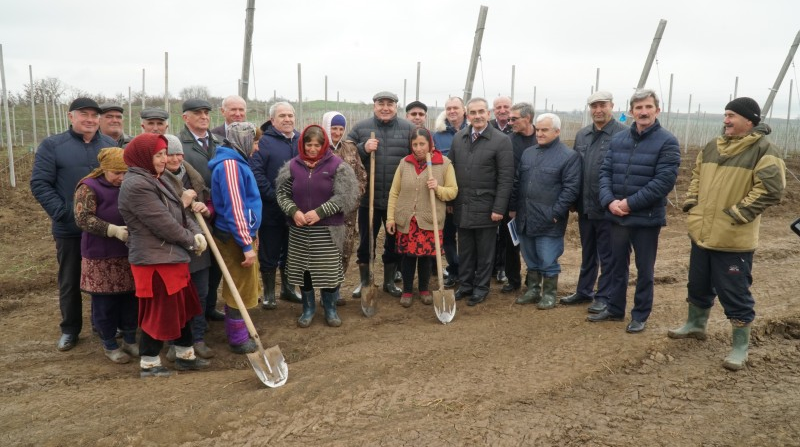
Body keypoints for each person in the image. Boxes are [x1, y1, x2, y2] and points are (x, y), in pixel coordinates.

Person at [669, 97, 785, 371]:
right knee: (697, 283)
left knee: (734, 292)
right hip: (702, 233)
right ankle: (696, 324)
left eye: (731, 115)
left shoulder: (764, 150)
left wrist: (738, 213)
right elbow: (696, 175)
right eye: (725, 115)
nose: (726, 120)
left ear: (749, 120)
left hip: (733, 239)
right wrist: (692, 202)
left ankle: (740, 346)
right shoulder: (713, 146)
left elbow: (771, 189)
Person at [589, 89, 680, 333]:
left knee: (644, 270)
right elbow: (605, 173)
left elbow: (663, 182)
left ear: (657, 110)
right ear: (631, 112)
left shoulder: (667, 141)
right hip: (617, 216)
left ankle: (640, 314)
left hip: (646, 219)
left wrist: (628, 204)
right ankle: (615, 308)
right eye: (638, 108)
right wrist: (610, 202)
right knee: (616, 265)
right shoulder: (619, 140)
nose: (643, 112)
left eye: (648, 107)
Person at [119, 133, 210, 377]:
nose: (163, 159)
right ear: (143, 157)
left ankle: (185, 355)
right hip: (155, 261)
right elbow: (164, 224)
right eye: (158, 155)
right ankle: (149, 363)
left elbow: (180, 213)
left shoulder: (156, 178)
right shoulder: (137, 185)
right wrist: (193, 241)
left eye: (164, 154)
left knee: (183, 307)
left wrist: (196, 233)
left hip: (171, 258)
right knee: (159, 312)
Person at [31, 97, 116, 351]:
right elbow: (40, 183)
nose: (90, 119)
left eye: (94, 115)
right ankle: (70, 328)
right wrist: (64, 212)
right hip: (70, 228)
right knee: (70, 279)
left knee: (104, 277)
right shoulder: (53, 146)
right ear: (71, 117)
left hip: (104, 229)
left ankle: (103, 326)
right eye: (84, 114)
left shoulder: (109, 145)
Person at [276, 125, 359, 327]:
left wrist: (319, 212)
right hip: (300, 230)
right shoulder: (292, 166)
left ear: (324, 145)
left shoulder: (338, 166)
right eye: (309, 144)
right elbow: (282, 194)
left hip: (328, 230)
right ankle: (308, 308)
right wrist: (294, 211)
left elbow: (345, 197)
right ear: (302, 144)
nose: (312, 149)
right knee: (305, 271)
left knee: (329, 271)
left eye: (317, 145)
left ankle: (330, 309)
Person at [560, 91, 626, 313]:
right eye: (594, 106)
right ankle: (584, 290)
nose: (598, 110)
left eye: (602, 105)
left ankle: (605, 295)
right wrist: (573, 199)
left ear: (612, 106)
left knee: (607, 254)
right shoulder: (583, 135)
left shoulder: (622, 135)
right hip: (585, 205)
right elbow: (575, 168)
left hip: (608, 206)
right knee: (588, 251)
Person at [509, 113, 581, 309]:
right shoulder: (528, 153)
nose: (539, 134)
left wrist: (556, 213)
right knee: (530, 256)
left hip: (549, 219)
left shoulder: (568, 156)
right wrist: (514, 208)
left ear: (557, 132)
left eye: (544, 130)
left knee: (548, 257)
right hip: (525, 215)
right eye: (538, 130)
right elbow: (517, 182)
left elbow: (571, 188)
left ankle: (549, 293)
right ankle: (533, 289)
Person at [73, 147, 138, 364]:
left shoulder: (129, 184)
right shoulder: (89, 187)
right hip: (101, 255)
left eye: (125, 172)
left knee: (130, 298)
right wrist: (112, 230)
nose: (121, 177)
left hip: (127, 251)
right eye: (116, 173)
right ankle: (109, 343)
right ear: (104, 169)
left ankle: (130, 339)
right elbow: (83, 218)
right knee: (105, 302)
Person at [348, 91, 415, 299]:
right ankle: (365, 282)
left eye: (390, 104)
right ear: (374, 106)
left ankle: (388, 282)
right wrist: (363, 148)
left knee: (393, 242)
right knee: (366, 242)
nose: (385, 108)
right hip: (368, 199)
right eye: (380, 104)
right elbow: (346, 155)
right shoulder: (360, 128)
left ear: (396, 107)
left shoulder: (409, 129)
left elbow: (418, 155)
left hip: (397, 199)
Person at [448, 97, 514, 306]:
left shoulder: (501, 141)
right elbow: (450, 170)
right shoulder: (459, 138)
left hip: (487, 207)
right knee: (465, 250)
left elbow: (505, 178)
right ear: (467, 115)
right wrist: (450, 199)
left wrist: (499, 208)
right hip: (462, 204)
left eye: (481, 112)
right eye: (473, 113)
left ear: (488, 114)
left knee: (485, 252)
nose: (477, 116)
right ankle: (466, 285)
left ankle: (481, 287)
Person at [387, 128, 458, 307]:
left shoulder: (444, 163)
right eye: (415, 144)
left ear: (430, 144)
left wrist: (438, 188)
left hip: (429, 220)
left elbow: (453, 191)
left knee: (426, 257)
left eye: (422, 144)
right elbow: (394, 192)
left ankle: (425, 289)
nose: (418, 148)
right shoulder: (404, 163)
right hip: (407, 220)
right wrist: (390, 217)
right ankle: (408, 290)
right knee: (409, 257)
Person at [209, 122, 264, 352]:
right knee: (238, 284)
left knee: (244, 282)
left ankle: (239, 330)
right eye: (255, 142)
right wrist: (245, 244)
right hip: (234, 237)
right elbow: (234, 207)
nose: (257, 148)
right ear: (242, 141)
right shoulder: (231, 166)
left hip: (241, 234)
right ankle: (238, 337)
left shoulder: (237, 162)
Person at [162, 134, 215, 360]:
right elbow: (159, 215)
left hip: (199, 247)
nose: (175, 159)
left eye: (179, 154)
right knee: (174, 298)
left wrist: (206, 208)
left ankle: (199, 337)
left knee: (200, 294)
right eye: (170, 154)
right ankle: (174, 341)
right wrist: (182, 202)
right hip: (172, 248)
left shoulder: (193, 177)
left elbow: (210, 202)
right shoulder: (155, 180)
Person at [250, 101, 303, 309]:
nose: (287, 119)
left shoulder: (301, 140)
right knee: (270, 252)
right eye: (282, 116)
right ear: (273, 120)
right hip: (271, 208)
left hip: (296, 210)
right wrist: (276, 197)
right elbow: (257, 173)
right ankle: (270, 293)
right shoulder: (264, 142)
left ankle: (288, 289)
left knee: (291, 252)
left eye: (290, 115)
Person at [179, 98, 226, 322]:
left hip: (220, 210)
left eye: (206, 112)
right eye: (198, 113)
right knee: (199, 264)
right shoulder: (179, 144)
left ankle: (209, 308)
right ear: (185, 117)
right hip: (194, 213)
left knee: (218, 263)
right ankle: (196, 315)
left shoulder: (220, 141)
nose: (204, 116)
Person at [322, 111, 367, 305]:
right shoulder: (318, 148)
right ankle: (325, 294)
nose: (337, 132)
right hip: (325, 213)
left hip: (348, 213)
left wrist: (355, 197)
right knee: (327, 252)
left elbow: (361, 175)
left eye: (341, 128)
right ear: (326, 127)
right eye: (334, 128)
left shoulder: (350, 148)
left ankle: (336, 291)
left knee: (345, 251)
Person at [500, 102, 536, 295]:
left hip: (535, 200)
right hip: (512, 199)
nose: (509, 121)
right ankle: (513, 279)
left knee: (532, 241)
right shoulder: (508, 140)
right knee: (511, 242)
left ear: (527, 118)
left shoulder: (542, 138)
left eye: (514, 119)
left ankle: (533, 278)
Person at [433, 96, 467, 288]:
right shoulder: (438, 134)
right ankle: (454, 269)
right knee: (447, 236)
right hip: (445, 194)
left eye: (456, 107)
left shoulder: (473, 131)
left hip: (469, 194)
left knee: (467, 236)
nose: (452, 111)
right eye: (448, 108)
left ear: (464, 110)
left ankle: (468, 271)